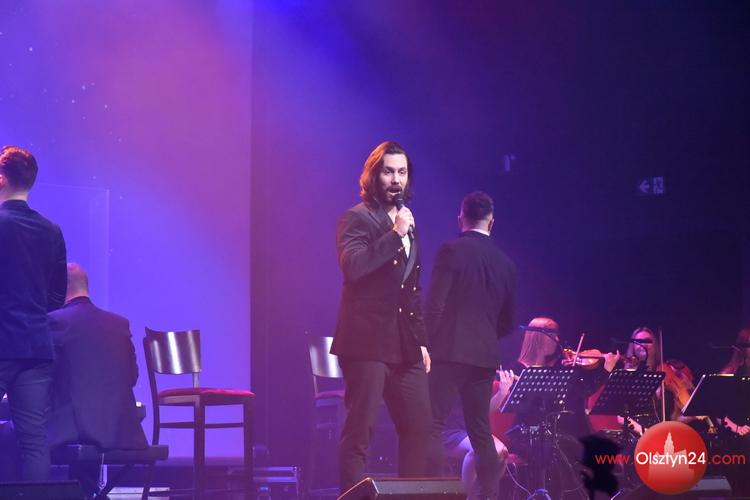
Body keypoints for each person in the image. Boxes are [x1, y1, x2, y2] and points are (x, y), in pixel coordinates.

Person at [331, 141, 431, 493]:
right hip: (367, 342)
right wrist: (394, 234)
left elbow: (411, 289)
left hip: (404, 343)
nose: (396, 180)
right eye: (388, 172)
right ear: (374, 175)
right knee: (360, 432)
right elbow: (353, 267)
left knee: (420, 427)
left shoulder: (409, 224)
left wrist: (421, 341)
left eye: (402, 172)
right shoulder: (357, 218)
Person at [425, 191, 516, 500]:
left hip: (449, 352)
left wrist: (426, 344)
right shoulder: (506, 264)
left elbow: (434, 306)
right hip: (485, 356)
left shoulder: (451, 250)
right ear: (492, 222)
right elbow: (509, 322)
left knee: (433, 425)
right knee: (480, 432)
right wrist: (484, 337)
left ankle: (431, 495)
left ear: (460, 218)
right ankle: (488, 496)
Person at [0, 145, 67, 480]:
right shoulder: (52, 231)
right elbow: (57, 295)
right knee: (34, 441)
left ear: (1, 179)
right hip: (36, 347)